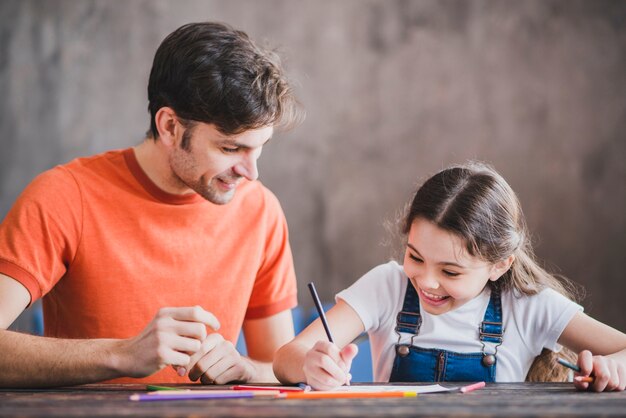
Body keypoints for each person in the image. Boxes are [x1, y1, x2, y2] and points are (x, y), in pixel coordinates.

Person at [0, 21, 303, 387]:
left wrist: (246, 368)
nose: (251, 173)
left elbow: (279, 367)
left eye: (259, 148)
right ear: (170, 126)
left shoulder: (261, 210)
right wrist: (122, 354)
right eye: (229, 148)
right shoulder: (65, 197)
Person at [273, 162, 626, 392]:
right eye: (415, 257)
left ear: (499, 264)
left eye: (450, 271)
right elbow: (286, 357)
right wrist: (310, 363)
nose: (426, 281)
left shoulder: (528, 305)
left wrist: (611, 366)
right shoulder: (386, 286)